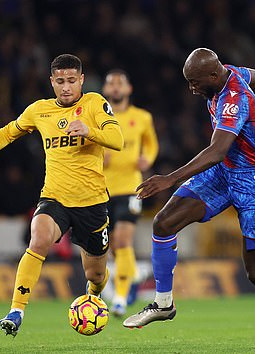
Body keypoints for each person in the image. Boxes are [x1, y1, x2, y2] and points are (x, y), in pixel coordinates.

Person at [122, 48, 255, 346]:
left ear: (212, 75)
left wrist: (169, 178)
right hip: (224, 172)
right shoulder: (231, 72)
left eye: (195, 82)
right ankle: (163, 303)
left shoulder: (234, 99)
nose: (192, 89)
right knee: (163, 223)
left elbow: (217, 150)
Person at [0, 54, 123, 337]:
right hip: (54, 198)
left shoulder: (94, 103)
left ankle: (94, 295)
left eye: (71, 81)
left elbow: (118, 140)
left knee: (96, 275)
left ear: (81, 80)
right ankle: (16, 311)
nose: (66, 88)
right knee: (39, 237)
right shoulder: (39, 111)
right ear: (52, 82)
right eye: (60, 82)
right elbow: (8, 132)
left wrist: (90, 131)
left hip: (92, 203)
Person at [101, 69, 159, 316]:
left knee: (124, 240)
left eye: (120, 83)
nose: (115, 87)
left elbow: (152, 143)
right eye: (111, 83)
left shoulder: (142, 117)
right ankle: (132, 275)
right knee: (114, 247)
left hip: (131, 187)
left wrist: (148, 158)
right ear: (105, 90)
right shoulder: (97, 118)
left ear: (128, 89)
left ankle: (120, 299)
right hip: (102, 190)